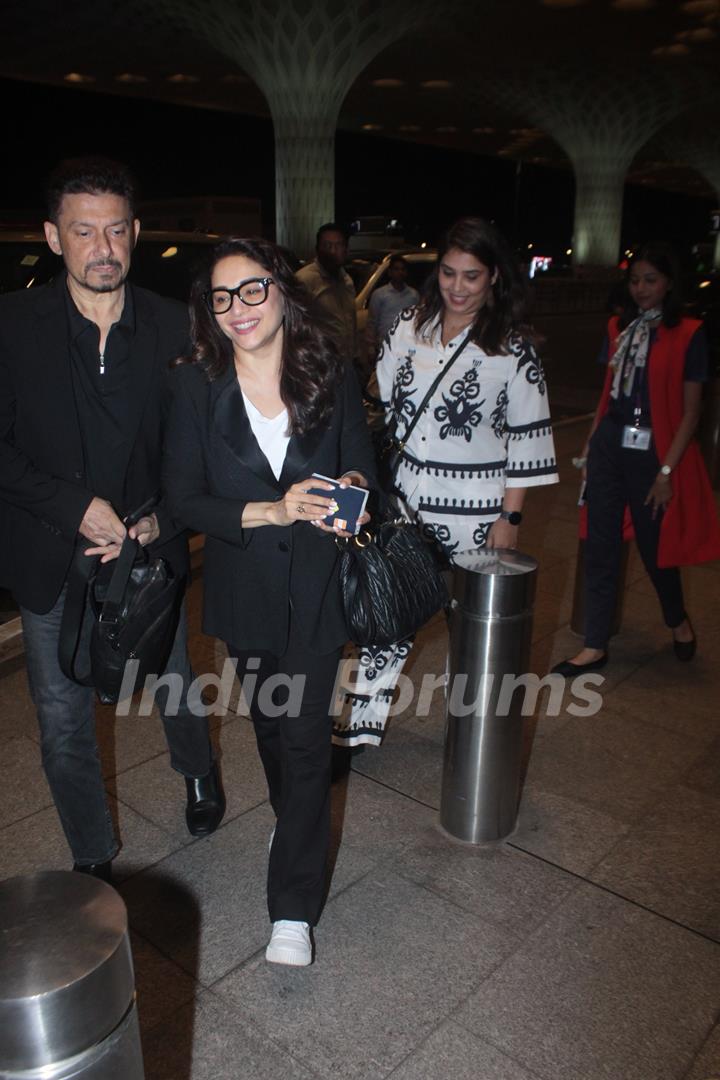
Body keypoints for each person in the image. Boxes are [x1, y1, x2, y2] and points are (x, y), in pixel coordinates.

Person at [0, 157, 224, 884]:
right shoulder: (13, 325)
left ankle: (198, 772)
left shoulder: (171, 326)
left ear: (135, 233)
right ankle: (93, 856)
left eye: (117, 230)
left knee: (174, 678)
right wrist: (75, 509)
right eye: (84, 231)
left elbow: (202, 439)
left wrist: (161, 514)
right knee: (63, 719)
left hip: (145, 548)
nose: (103, 247)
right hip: (49, 551)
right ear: (53, 237)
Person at [163, 236, 376, 966]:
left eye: (251, 290)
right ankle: (299, 823)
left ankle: (292, 910)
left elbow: (361, 462)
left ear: (282, 290)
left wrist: (350, 494)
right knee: (271, 729)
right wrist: (273, 511)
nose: (237, 309)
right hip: (245, 586)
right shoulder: (195, 385)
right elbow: (185, 496)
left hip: (319, 588)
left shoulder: (332, 371)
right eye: (221, 298)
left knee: (307, 738)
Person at [552, 243, 720, 676]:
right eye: (635, 280)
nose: (642, 288)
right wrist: (589, 448)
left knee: (653, 547)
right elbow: (607, 396)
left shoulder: (689, 333)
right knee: (600, 543)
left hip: (653, 453)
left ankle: (676, 620)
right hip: (611, 445)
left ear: (668, 283)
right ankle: (594, 645)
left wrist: (667, 471)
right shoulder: (617, 328)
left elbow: (692, 411)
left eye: (651, 280)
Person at [376, 217, 558, 560]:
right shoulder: (407, 327)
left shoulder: (513, 348)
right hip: (402, 508)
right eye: (448, 273)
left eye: (471, 276)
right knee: (396, 610)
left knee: (464, 614)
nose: (457, 287)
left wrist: (510, 518)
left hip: (475, 518)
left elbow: (527, 440)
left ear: (494, 276)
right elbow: (387, 404)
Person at [296, 222, 357, 372]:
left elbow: (351, 322)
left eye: (338, 245)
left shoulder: (347, 280)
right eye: (328, 245)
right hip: (319, 365)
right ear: (317, 249)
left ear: (346, 249)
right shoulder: (305, 279)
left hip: (347, 363)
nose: (333, 251)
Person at [366, 254, 420, 357]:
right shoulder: (379, 294)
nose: (400, 272)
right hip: (383, 348)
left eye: (403, 269)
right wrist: (370, 348)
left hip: (406, 348)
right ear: (390, 272)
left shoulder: (414, 295)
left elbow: (417, 322)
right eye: (396, 269)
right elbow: (372, 322)